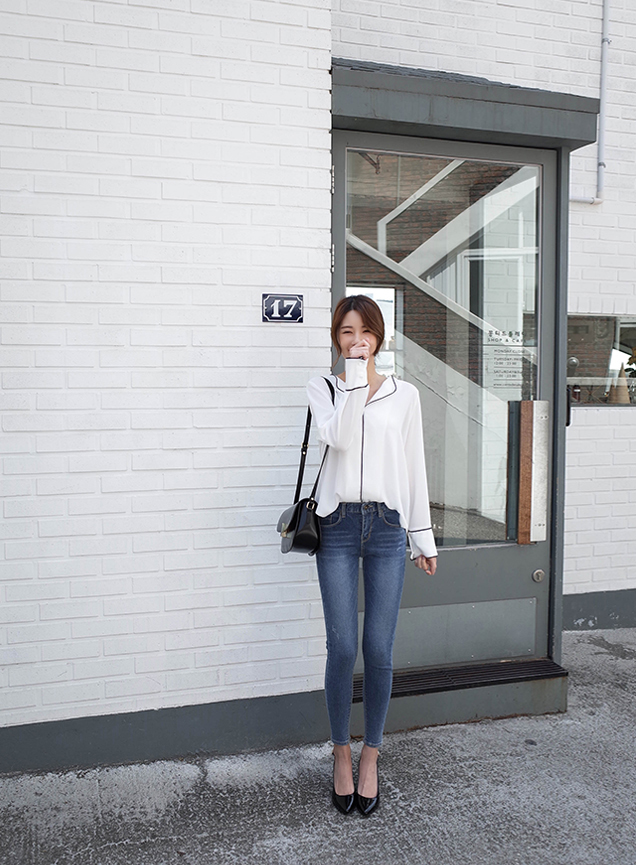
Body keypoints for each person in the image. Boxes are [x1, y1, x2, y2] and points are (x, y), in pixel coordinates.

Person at [306, 294, 438, 817]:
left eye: (364, 332)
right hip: (337, 526)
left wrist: (422, 537)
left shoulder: (406, 395)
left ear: (379, 336)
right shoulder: (324, 388)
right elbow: (339, 439)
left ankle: (371, 756)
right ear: (336, 338)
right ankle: (341, 752)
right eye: (346, 332)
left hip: (386, 526)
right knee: (342, 648)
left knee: (379, 649)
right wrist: (355, 378)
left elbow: (414, 465)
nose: (356, 340)